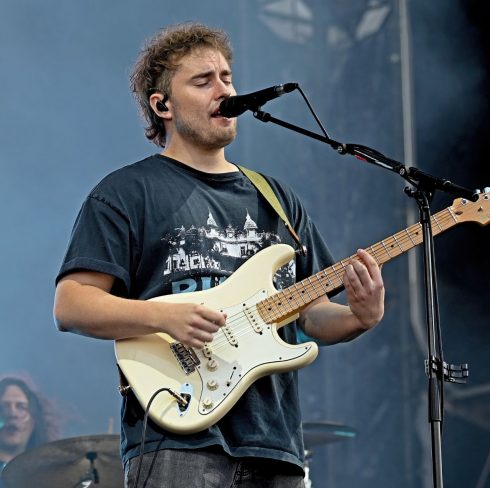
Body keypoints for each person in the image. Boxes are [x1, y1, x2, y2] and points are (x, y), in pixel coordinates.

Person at [53, 22, 385, 488]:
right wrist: (164, 318)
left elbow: (313, 315)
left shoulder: (276, 199)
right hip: (177, 436)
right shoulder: (125, 193)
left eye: (227, 77)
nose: (224, 90)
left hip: (275, 441)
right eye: (203, 80)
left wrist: (360, 317)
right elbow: (72, 305)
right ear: (162, 105)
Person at [0, 377, 59, 477]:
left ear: (34, 422)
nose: (13, 414)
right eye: (4, 407)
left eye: (21, 407)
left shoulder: (46, 475)